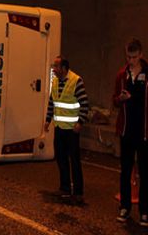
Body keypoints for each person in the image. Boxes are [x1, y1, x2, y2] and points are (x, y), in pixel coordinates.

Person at [113, 39, 148, 227]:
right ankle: (125, 208)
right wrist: (121, 98)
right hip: (127, 132)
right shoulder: (122, 75)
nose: (131, 60)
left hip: (144, 133)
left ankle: (144, 212)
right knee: (125, 171)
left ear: (141, 55)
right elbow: (115, 100)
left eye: (134, 57)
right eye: (128, 56)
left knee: (145, 173)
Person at [44, 56, 89, 204]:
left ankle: (78, 192)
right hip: (59, 128)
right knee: (61, 158)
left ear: (63, 68)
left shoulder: (76, 81)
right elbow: (52, 102)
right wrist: (47, 120)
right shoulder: (55, 81)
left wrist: (80, 123)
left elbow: (84, 103)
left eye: (56, 67)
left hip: (71, 130)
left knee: (74, 160)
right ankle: (64, 188)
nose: (54, 69)